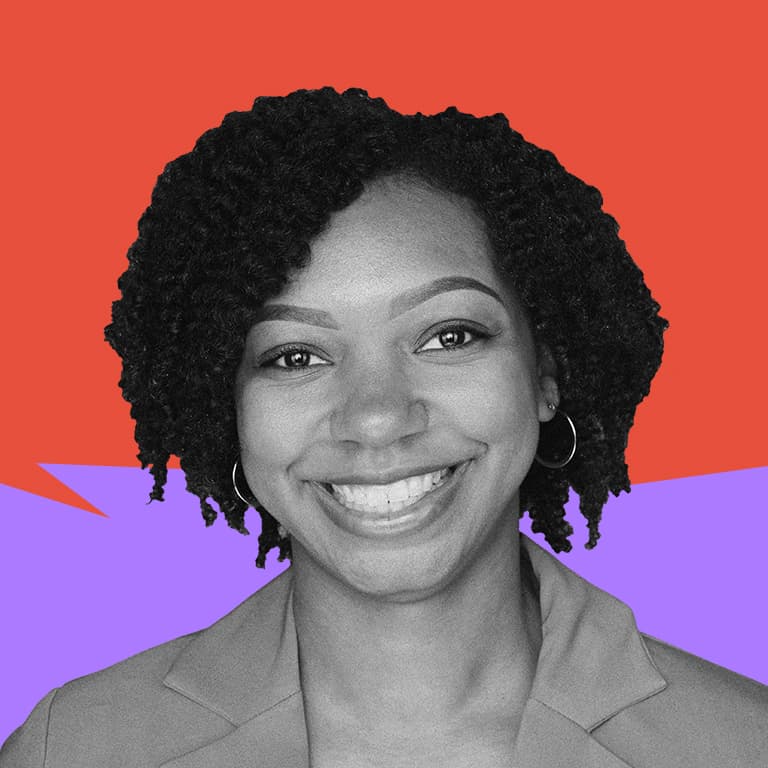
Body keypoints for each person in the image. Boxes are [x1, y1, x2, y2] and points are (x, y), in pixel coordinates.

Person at [2, 87, 766, 767]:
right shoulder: (72, 749)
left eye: (451, 335)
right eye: (295, 355)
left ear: (546, 374)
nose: (376, 416)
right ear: (226, 409)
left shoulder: (741, 746)